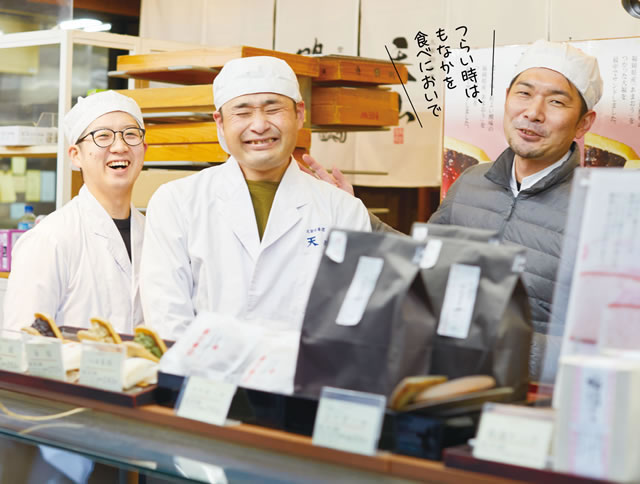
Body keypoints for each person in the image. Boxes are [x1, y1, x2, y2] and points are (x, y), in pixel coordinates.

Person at [140, 56, 371, 340]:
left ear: (300, 114)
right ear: (220, 123)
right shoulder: (176, 202)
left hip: (301, 378)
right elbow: (167, 317)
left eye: (273, 108)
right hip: (202, 376)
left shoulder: (343, 210)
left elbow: (351, 315)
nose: (260, 125)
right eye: (242, 112)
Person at [430, 40, 602, 378]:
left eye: (555, 101)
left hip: (538, 401)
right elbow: (423, 259)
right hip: (446, 381)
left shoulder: (598, 209)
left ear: (583, 123)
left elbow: (605, 344)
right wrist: (353, 211)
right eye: (524, 94)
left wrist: (507, 347)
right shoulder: (471, 181)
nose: (533, 113)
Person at [4, 90, 147, 333]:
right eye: (103, 136)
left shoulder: (156, 234)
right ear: (75, 155)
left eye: (130, 135)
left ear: (144, 148)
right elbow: (20, 344)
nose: (120, 146)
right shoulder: (51, 239)